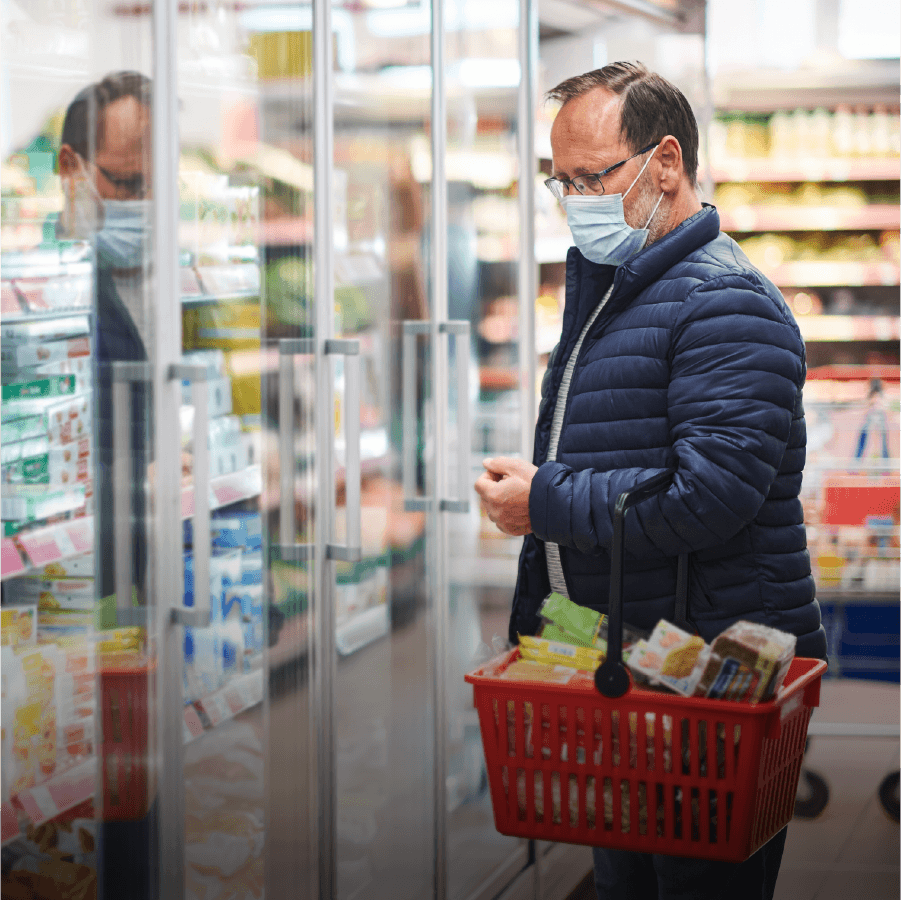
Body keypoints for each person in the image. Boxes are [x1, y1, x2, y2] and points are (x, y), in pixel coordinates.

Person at [474, 61, 827, 900]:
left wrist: (545, 501)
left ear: (664, 163)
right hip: (639, 663)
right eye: (558, 182)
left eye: (592, 177)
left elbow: (710, 497)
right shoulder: (625, 290)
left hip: (710, 677)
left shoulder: (723, 303)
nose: (574, 200)